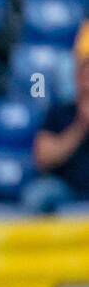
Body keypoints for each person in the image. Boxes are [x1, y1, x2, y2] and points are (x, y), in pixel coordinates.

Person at [27, 57, 89, 214]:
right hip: (65, 187)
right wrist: (81, 126)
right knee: (37, 195)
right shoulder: (59, 112)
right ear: (77, 80)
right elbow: (42, 158)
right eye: (86, 78)